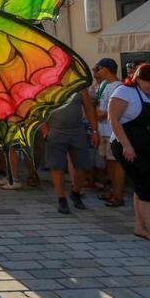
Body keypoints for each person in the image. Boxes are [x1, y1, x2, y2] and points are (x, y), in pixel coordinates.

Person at [108, 62, 150, 254]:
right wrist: (127, 146)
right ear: (137, 79)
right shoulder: (124, 92)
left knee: (142, 185)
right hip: (129, 146)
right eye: (148, 82)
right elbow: (114, 120)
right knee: (149, 187)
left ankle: (140, 226)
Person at [44, 86, 100, 214]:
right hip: (56, 131)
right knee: (56, 166)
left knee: (83, 166)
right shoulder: (48, 85)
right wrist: (45, 131)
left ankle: (75, 192)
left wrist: (95, 130)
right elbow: (39, 110)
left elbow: (89, 108)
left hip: (77, 131)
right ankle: (61, 199)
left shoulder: (80, 86)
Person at [91, 58, 125, 207]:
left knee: (116, 162)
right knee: (108, 162)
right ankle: (112, 190)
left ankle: (118, 195)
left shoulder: (120, 87)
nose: (96, 72)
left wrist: (103, 114)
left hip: (114, 131)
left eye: (98, 68)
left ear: (105, 69)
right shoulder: (103, 85)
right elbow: (98, 103)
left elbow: (120, 109)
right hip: (102, 129)